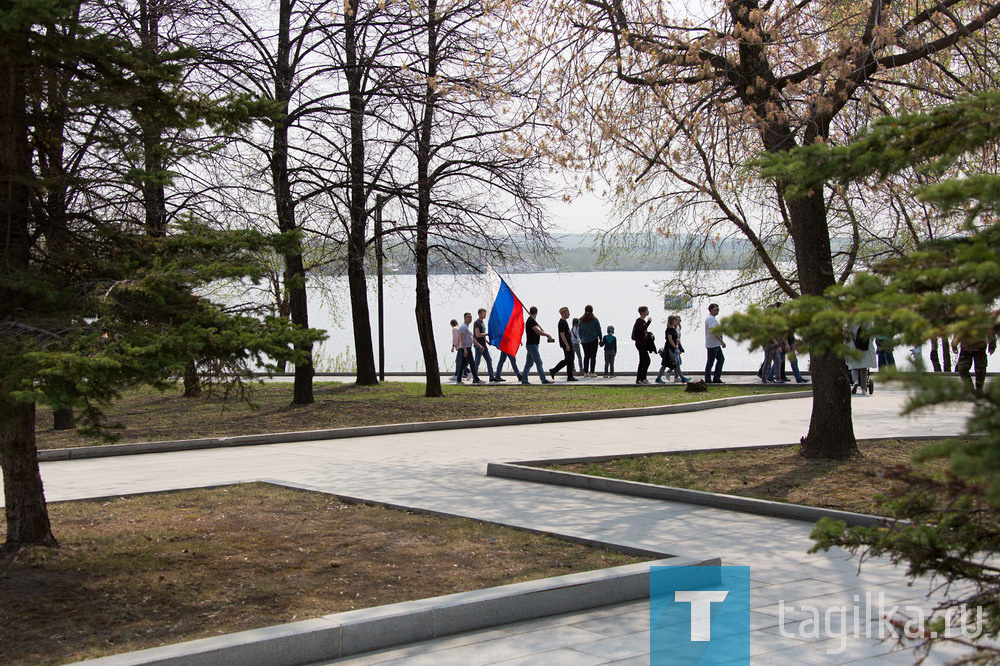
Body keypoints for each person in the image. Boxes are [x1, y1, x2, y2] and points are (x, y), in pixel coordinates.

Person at [952, 329, 997, 398]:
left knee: (980, 370)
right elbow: (958, 330)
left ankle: (979, 390)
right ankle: (970, 389)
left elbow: (990, 330)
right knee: (962, 369)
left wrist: (992, 345)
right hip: (965, 347)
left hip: (980, 347)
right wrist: (954, 344)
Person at [521, 306, 554, 384]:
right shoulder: (531, 321)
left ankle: (524, 379)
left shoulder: (531, 320)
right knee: (539, 362)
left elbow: (538, 330)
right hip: (532, 345)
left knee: (529, 363)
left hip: (531, 345)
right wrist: (547, 335)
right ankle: (543, 380)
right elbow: (538, 331)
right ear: (536, 313)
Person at [846, 324, 877, 395]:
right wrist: (869, 342)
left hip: (853, 346)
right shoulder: (868, 322)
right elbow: (873, 335)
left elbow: (846, 335)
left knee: (853, 367)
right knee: (864, 368)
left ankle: (855, 381)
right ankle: (863, 389)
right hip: (866, 346)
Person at [549, 307, 578, 381]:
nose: (569, 313)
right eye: (567, 312)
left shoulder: (564, 322)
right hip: (566, 344)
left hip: (568, 343)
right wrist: (567, 344)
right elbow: (562, 334)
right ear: (563, 313)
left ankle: (554, 370)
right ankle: (570, 376)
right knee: (570, 360)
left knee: (568, 360)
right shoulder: (561, 322)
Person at [658, 315, 689, 383]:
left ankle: (659, 378)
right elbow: (670, 339)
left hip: (672, 348)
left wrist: (677, 341)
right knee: (675, 363)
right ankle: (682, 378)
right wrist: (675, 346)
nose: (677, 322)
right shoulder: (669, 329)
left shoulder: (673, 329)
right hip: (669, 348)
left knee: (665, 364)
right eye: (675, 320)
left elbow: (674, 338)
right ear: (672, 321)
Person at [456, 312, 482, 384]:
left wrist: (479, 345)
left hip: (468, 348)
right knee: (472, 364)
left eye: (471, 317)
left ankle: (458, 380)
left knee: (463, 364)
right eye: (468, 317)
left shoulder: (467, 327)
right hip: (465, 348)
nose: (470, 319)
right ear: (464, 318)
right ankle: (476, 379)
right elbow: (462, 339)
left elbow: (472, 339)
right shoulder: (463, 327)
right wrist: (464, 349)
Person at [473, 308, 498, 382]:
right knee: (477, 361)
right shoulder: (477, 323)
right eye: (484, 313)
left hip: (484, 345)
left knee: (489, 360)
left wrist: (487, 341)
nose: (485, 315)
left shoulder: (482, 322)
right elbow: (477, 334)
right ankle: (475, 378)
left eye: (485, 313)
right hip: (478, 345)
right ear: (479, 314)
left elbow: (482, 334)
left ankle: (491, 377)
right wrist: (488, 334)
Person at [704, 303, 726, 384]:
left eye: (718, 309)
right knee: (710, 362)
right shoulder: (710, 319)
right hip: (712, 345)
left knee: (721, 359)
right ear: (711, 310)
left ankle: (716, 378)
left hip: (716, 344)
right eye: (716, 309)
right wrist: (721, 341)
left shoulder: (713, 318)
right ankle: (708, 380)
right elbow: (713, 331)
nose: (717, 311)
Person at [578, 305, 602, 378]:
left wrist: (581, 338)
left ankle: (585, 372)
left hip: (585, 341)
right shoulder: (595, 320)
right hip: (593, 340)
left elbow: (580, 331)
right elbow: (599, 329)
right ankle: (592, 372)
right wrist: (600, 338)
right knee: (593, 356)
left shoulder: (581, 320)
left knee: (586, 356)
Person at [632, 306, 652, 384]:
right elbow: (641, 329)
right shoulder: (639, 321)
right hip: (640, 343)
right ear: (642, 312)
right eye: (646, 310)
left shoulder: (643, 321)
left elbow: (644, 331)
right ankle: (639, 379)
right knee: (644, 360)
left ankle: (643, 377)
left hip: (644, 343)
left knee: (646, 360)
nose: (648, 312)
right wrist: (649, 322)